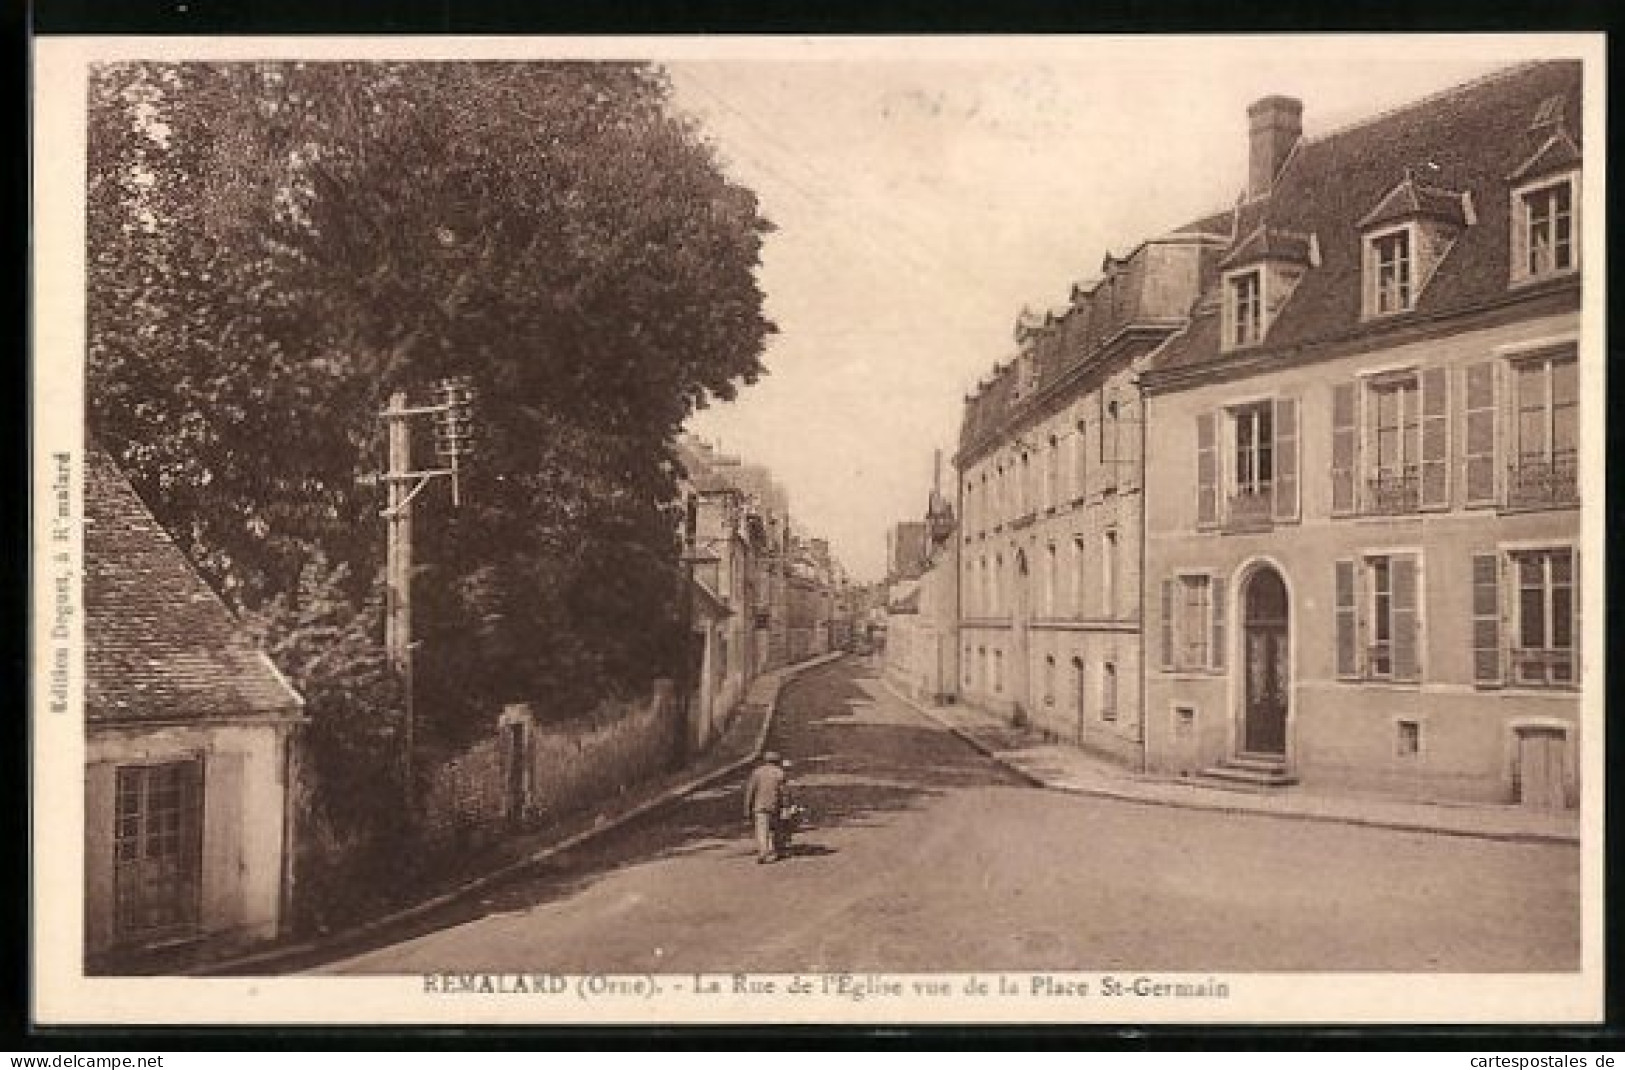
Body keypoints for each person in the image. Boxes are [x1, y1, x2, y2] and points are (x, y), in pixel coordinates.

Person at [743, 751, 790, 864]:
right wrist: (786, 806)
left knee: (762, 829)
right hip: (775, 805)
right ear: (777, 761)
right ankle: (774, 851)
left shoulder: (757, 772)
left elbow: (750, 791)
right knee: (775, 829)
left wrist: (747, 807)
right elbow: (784, 793)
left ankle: (763, 852)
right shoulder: (779, 773)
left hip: (759, 805)